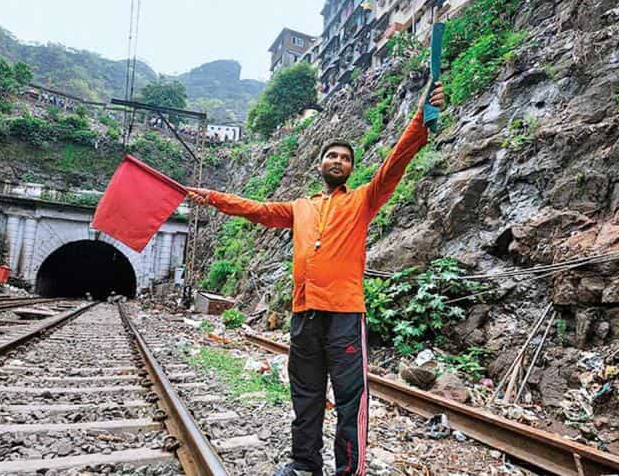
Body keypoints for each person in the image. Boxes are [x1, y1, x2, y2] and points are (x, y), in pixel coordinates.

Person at [188, 82, 445, 476]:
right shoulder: (300, 207)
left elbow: (396, 161)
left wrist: (420, 118)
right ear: (320, 164)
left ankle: (349, 471)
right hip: (304, 314)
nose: (338, 160)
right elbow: (256, 210)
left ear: (351, 168)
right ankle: (305, 464)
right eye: (331, 155)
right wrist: (213, 197)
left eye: (345, 157)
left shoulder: (362, 200)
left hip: (344, 314)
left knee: (349, 399)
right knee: (305, 396)